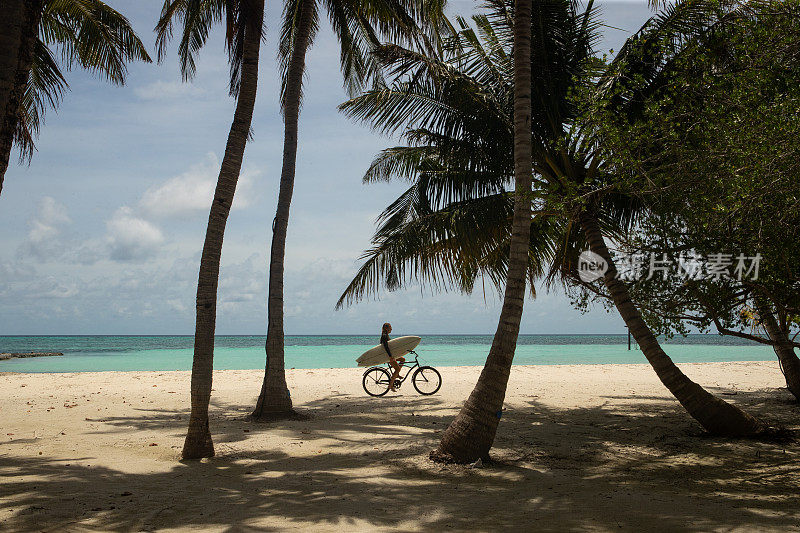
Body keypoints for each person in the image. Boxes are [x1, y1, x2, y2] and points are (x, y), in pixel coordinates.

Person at [381, 322, 405, 391]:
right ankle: (390, 386)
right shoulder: (384, 336)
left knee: (402, 359)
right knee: (397, 369)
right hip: (388, 356)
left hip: (390, 355)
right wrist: (390, 357)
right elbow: (386, 347)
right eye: (390, 327)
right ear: (386, 328)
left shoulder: (386, 335)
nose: (391, 329)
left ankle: (396, 375)